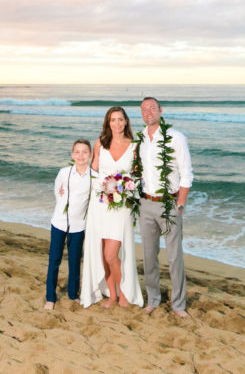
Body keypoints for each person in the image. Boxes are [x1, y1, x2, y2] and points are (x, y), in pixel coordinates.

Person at [80, 107, 145, 308]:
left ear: (126, 122)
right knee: (102, 253)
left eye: (120, 119)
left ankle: (124, 293)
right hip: (100, 204)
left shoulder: (135, 145)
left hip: (122, 206)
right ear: (108, 123)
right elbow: (93, 172)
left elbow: (137, 176)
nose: (116, 124)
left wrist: (126, 190)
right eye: (113, 120)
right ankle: (113, 296)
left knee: (112, 254)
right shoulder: (101, 144)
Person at [136, 97, 193, 317]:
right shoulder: (140, 139)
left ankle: (179, 305)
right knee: (149, 256)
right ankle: (153, 299)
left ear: (160, 110)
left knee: (174, 257)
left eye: (152, 108)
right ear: (141, 113)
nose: (148, 113)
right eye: (144, 110)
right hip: (146, 203)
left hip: (169, 204)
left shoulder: (175, 138)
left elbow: (186, 173)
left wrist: (180, 204)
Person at [44, 139, 93, 310]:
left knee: (74, 261)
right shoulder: (64, 172)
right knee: (54, 260)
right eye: (77, 152)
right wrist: (62, 204)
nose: (81, 155)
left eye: (85, 152)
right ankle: (50, 297)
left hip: (78, 226)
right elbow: (57, 190)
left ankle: (73, 294)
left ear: (90, 155)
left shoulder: (93, 177)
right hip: (59, 223)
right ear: (72, 155)